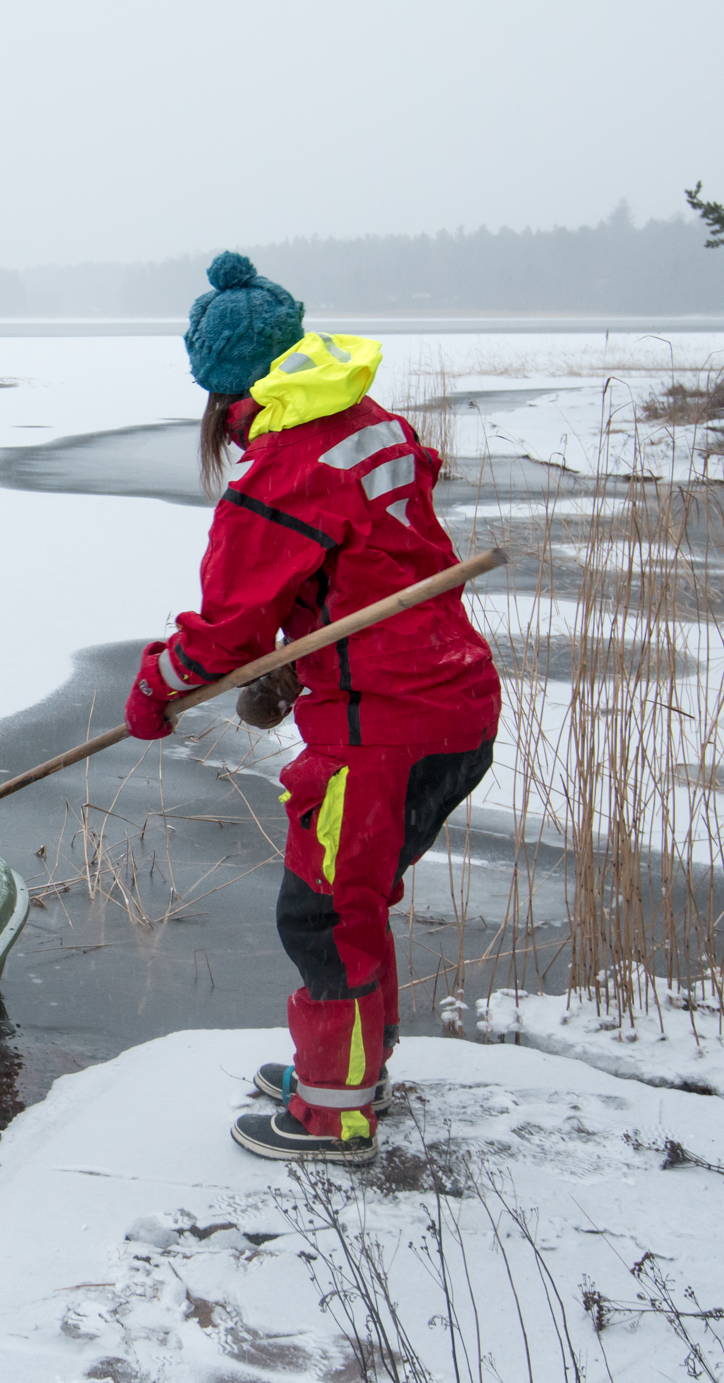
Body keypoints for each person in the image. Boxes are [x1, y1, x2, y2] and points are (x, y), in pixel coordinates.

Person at [124, 252, 502, 1165]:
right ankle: (352, 1071)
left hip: (387, 724)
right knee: (352, 902)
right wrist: (307, 641)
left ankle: (335, 1111)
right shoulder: (361, 421)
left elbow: (222, 632)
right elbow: (375, 546)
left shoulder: (282, 473)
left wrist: (155, 689)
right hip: (450, 702)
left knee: (325, 913)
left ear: (224, 391)